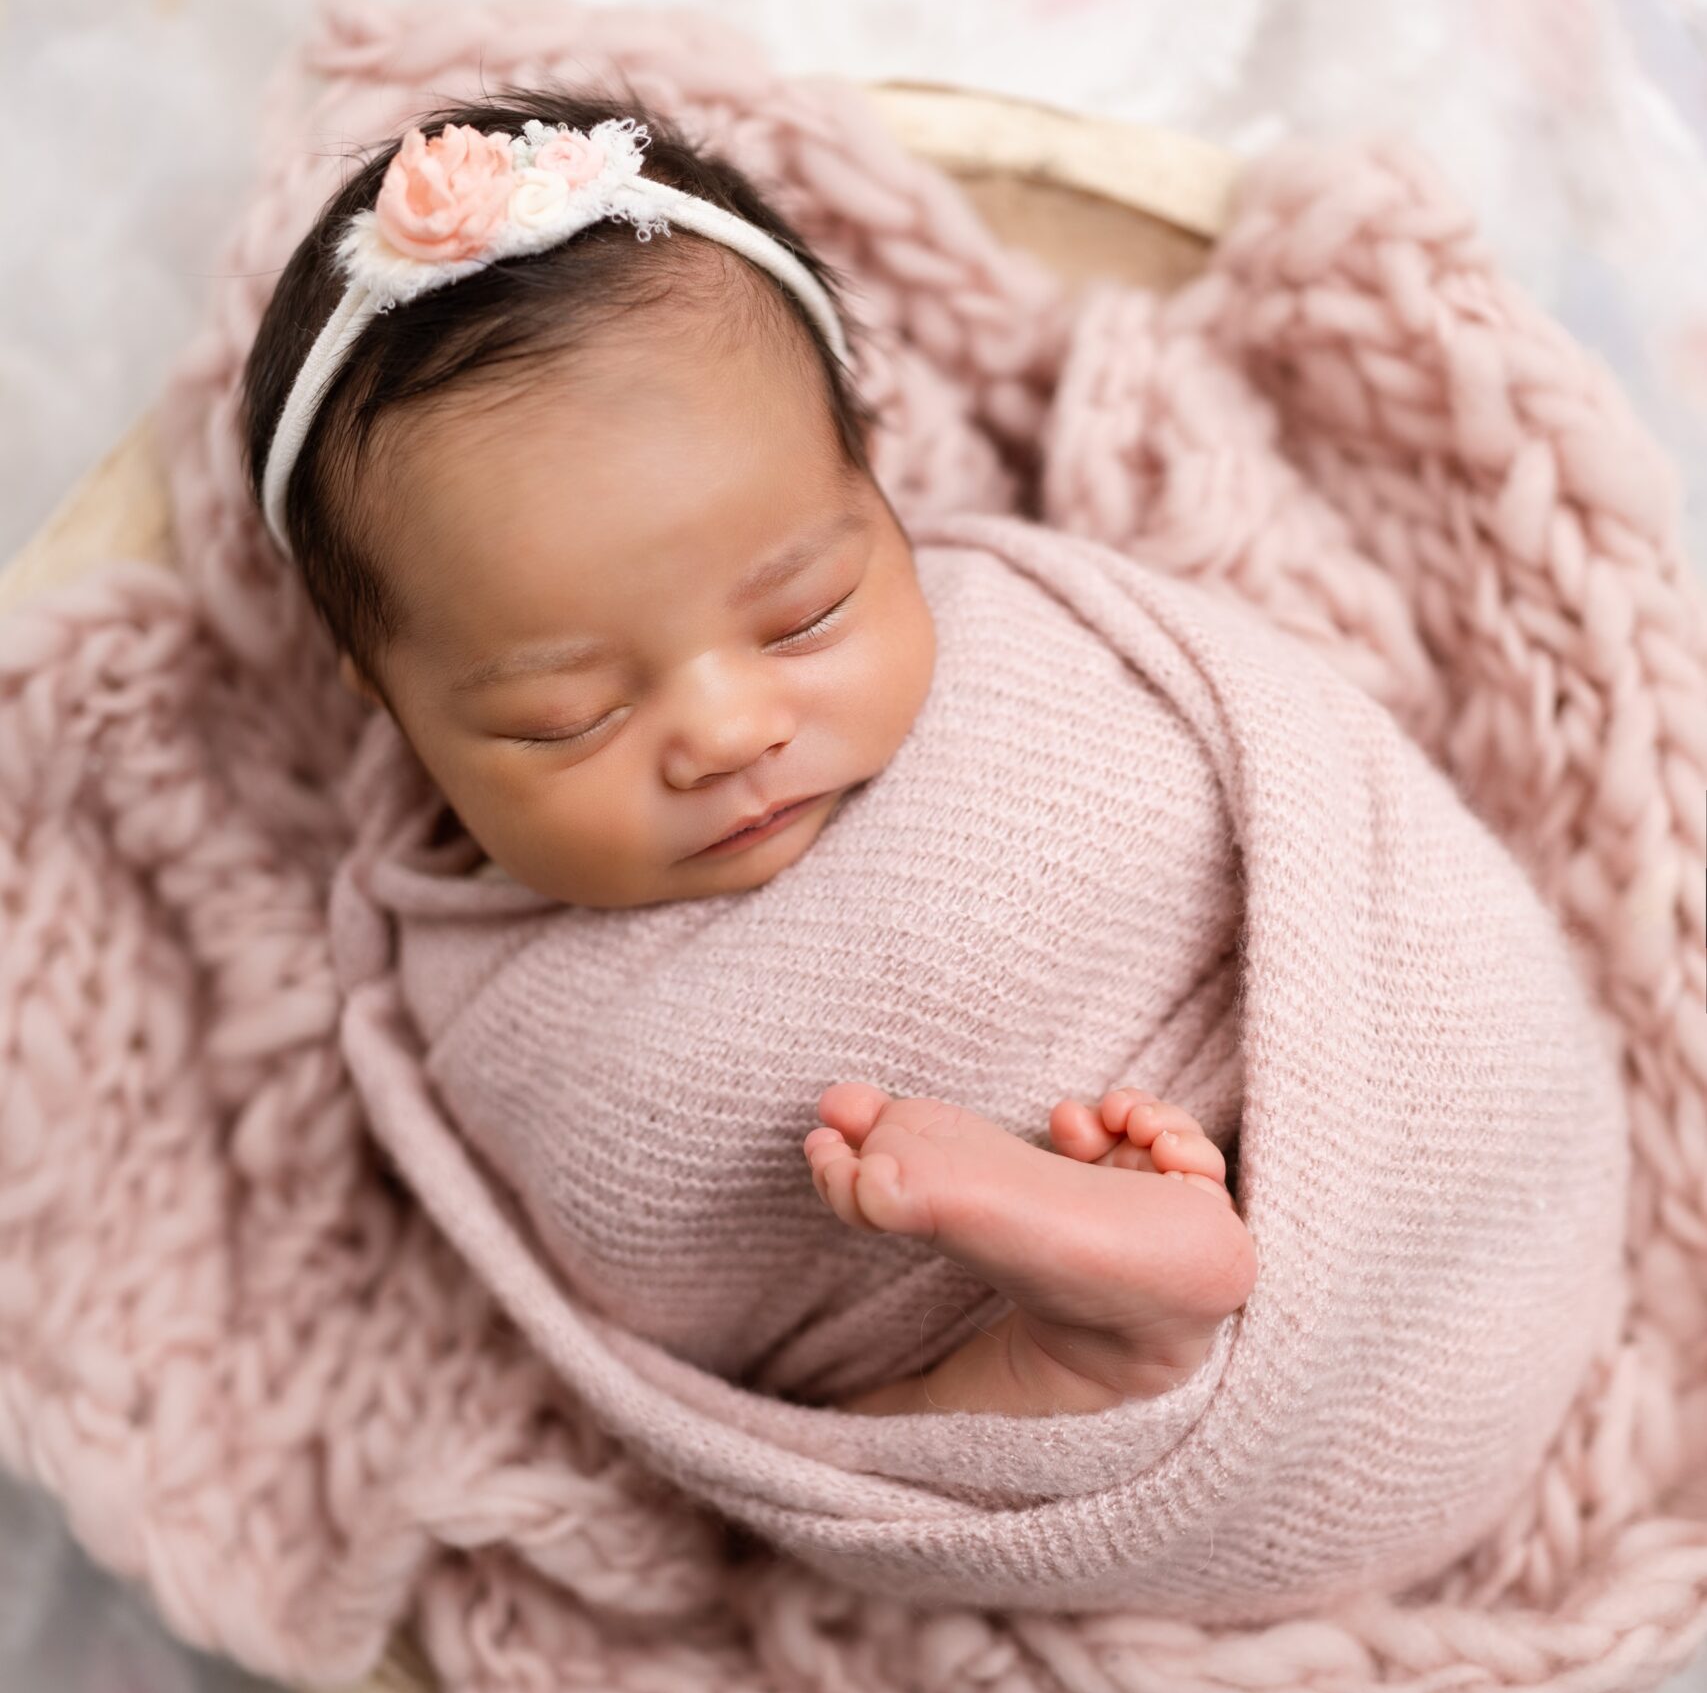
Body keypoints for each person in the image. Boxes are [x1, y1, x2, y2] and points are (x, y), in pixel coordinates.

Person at [240, 88, 1255, 1422]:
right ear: (388, 701)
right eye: (566, 715)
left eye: (806, 613)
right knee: (877, 1451)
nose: (726, 735)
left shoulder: (1038, 640)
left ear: (876, 482)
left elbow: (1280, 808)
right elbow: (655, 1287)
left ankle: (1126, 1286)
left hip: (1350, 1143)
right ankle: (1091, 1345)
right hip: (1010, 1390)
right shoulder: (485, 1007)